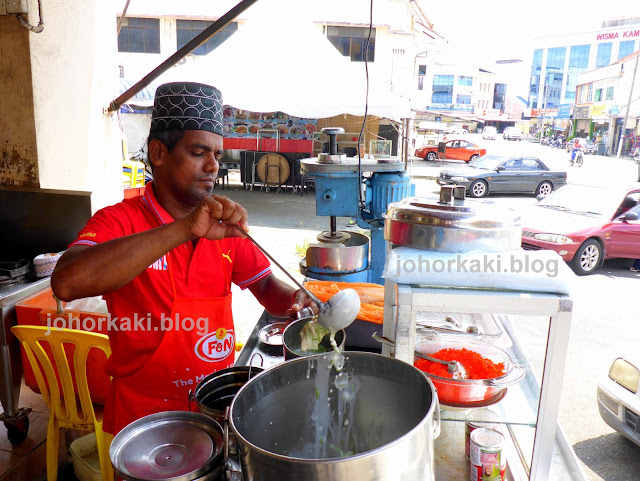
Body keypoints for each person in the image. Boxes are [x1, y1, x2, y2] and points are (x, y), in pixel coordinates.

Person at [51, 81, 318, 435]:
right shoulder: (119, 220)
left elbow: (264, 283)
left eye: (218, 156)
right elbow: (66, 283)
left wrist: (294, 299)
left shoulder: (225, 223)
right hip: (144, 420)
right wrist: (185, 230)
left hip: (215, 408)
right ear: (159, 153)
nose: (213, 166)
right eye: (198, 153)